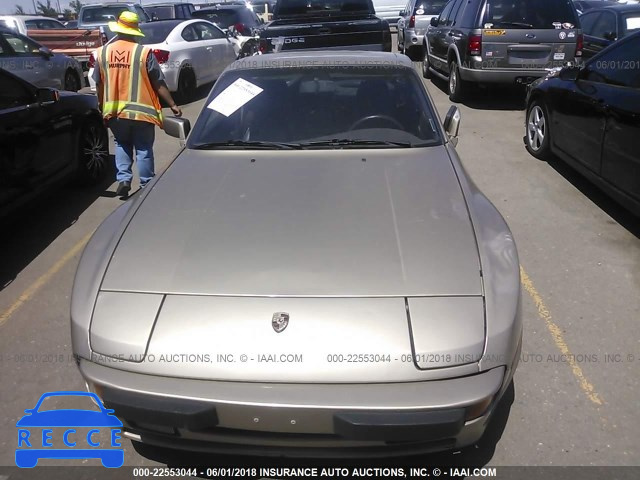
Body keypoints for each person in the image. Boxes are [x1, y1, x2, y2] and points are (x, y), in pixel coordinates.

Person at [92, 11, 182, 198]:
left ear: (118, 29)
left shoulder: (102, 53)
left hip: (115, 112)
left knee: (122, 144)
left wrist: (101, 107)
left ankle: (124, 179)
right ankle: (146, 184)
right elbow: (158, 81)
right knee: (143, 148)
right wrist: (172, 104)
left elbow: (99, 84)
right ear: (134, 31)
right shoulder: (142, 52)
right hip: (142, 112)